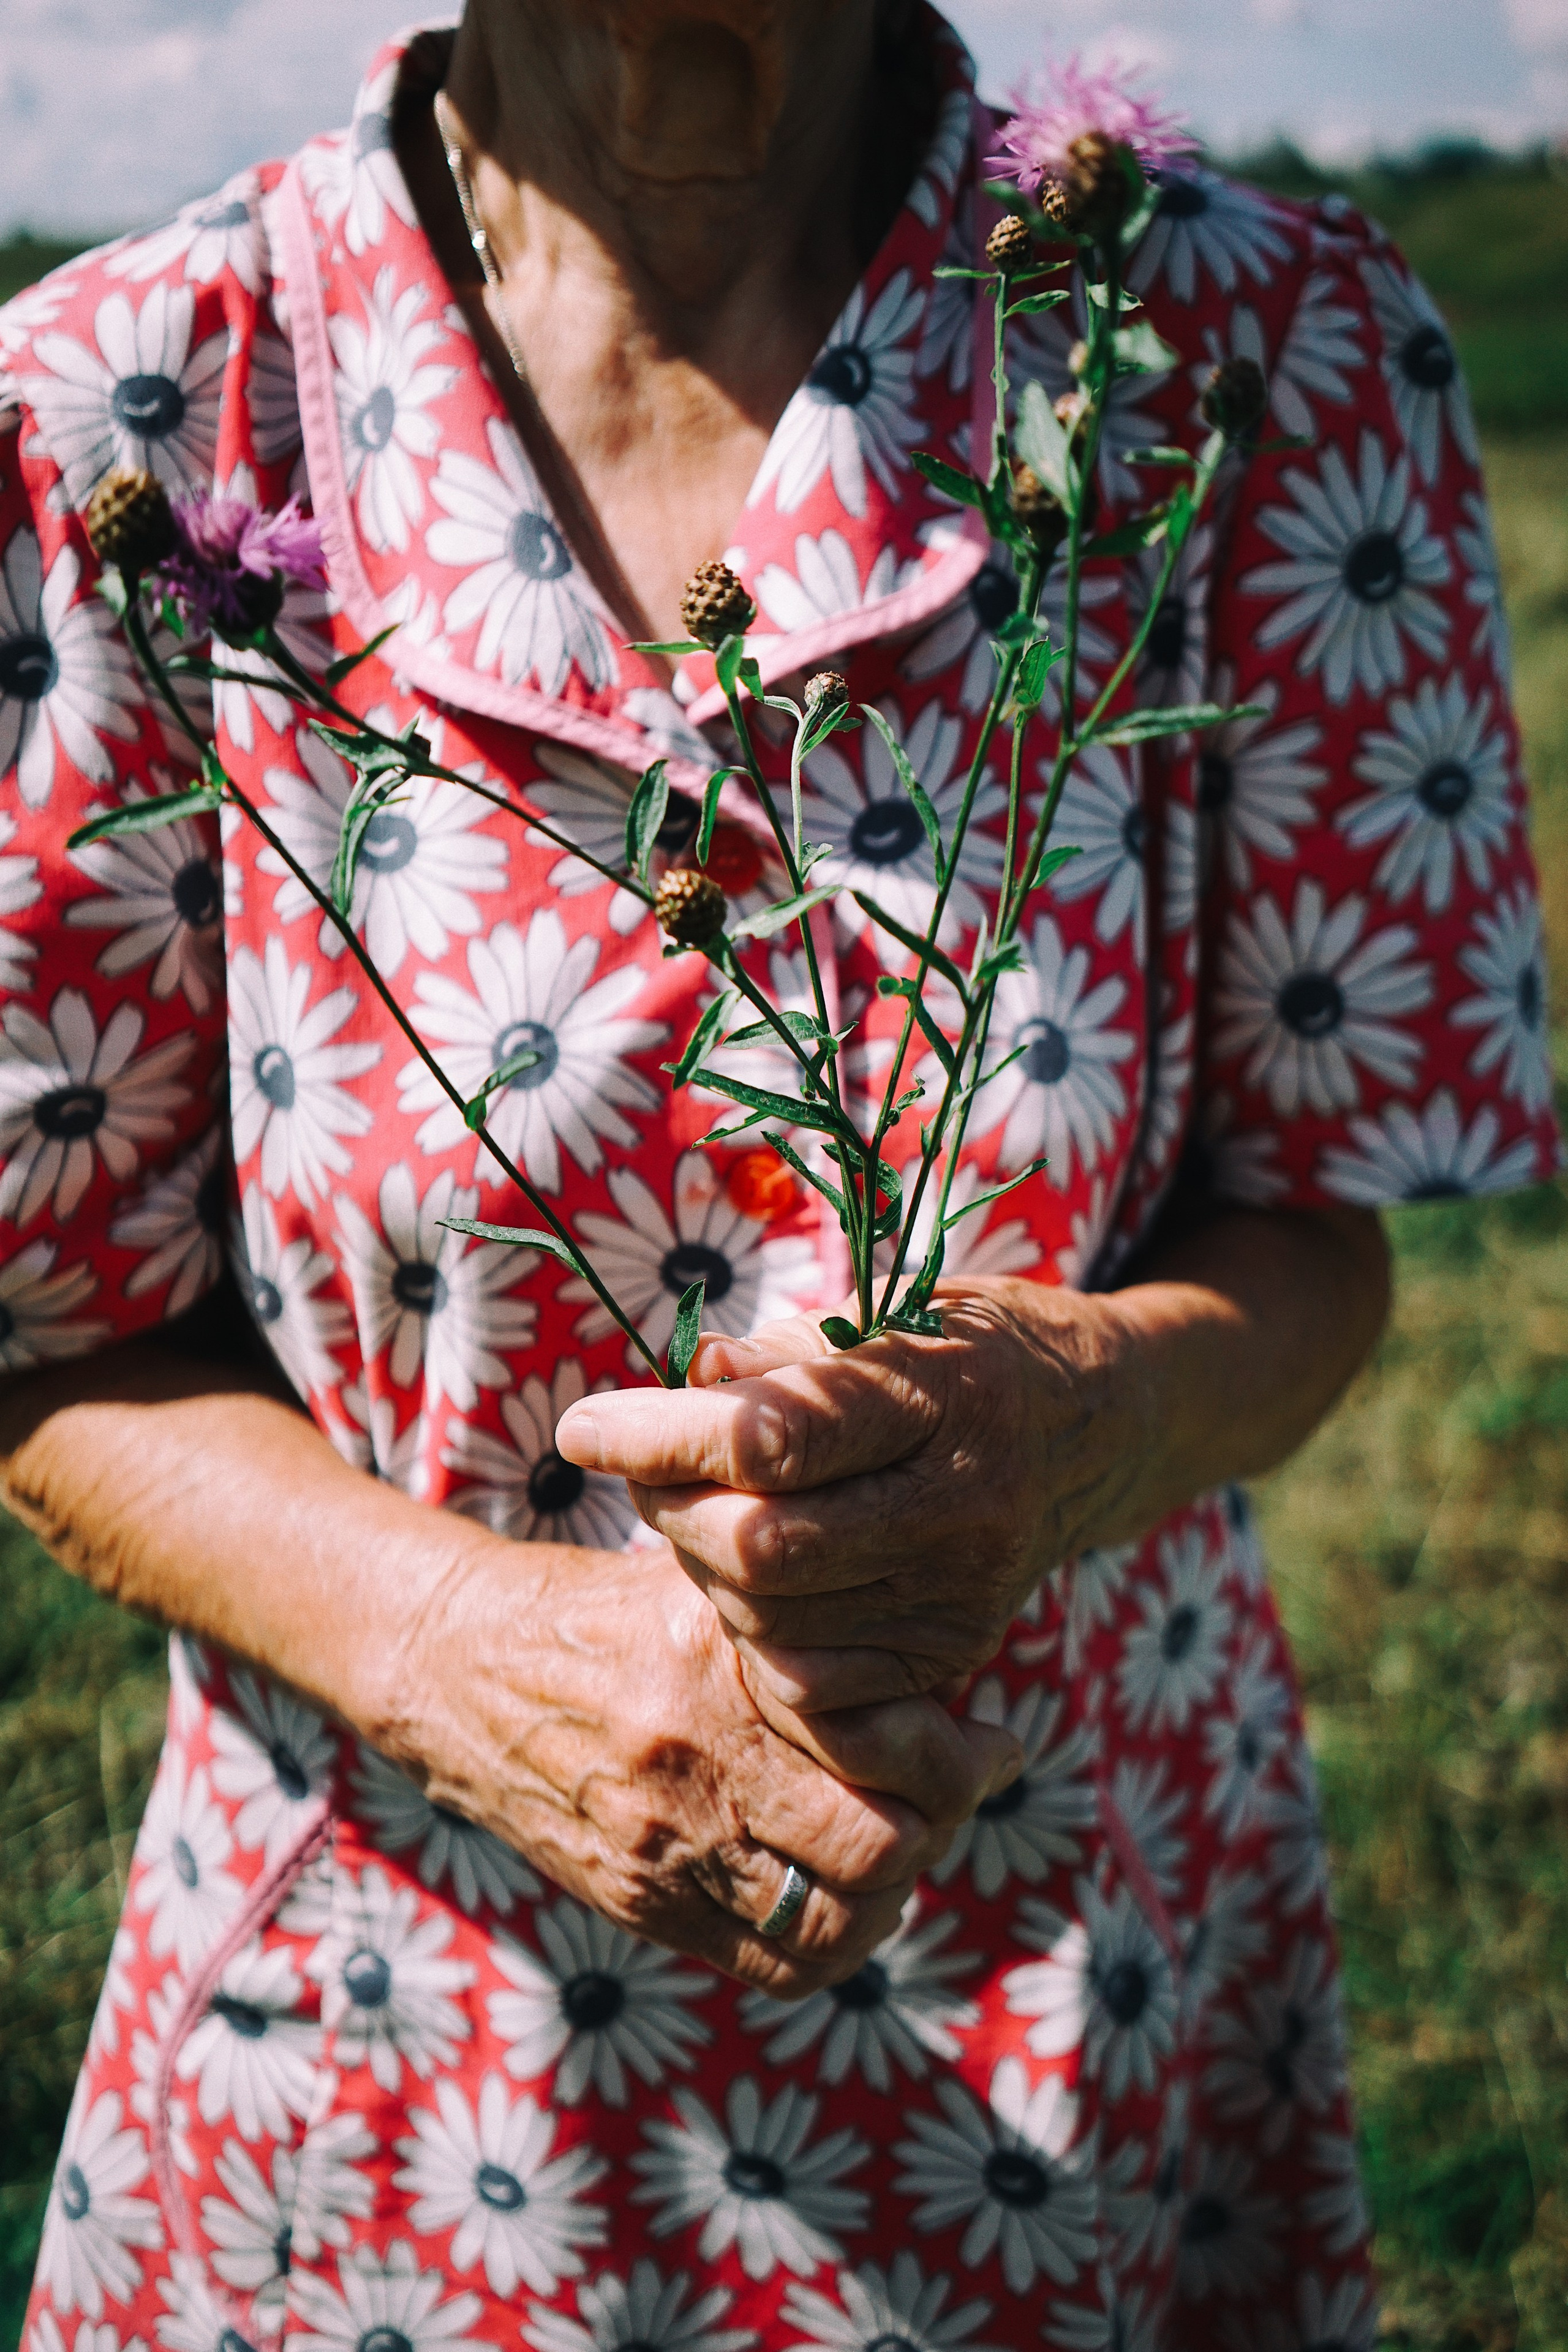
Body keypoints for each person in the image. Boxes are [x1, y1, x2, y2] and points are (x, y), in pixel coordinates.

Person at [0, 1, 1558, 2343]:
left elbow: (1321, 1230)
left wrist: (1084, 1420)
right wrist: (464, 1650)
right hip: (391, 2088)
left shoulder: (1254, 350)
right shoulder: (112, 402)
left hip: (1071, 2031)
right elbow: (47, 1342)